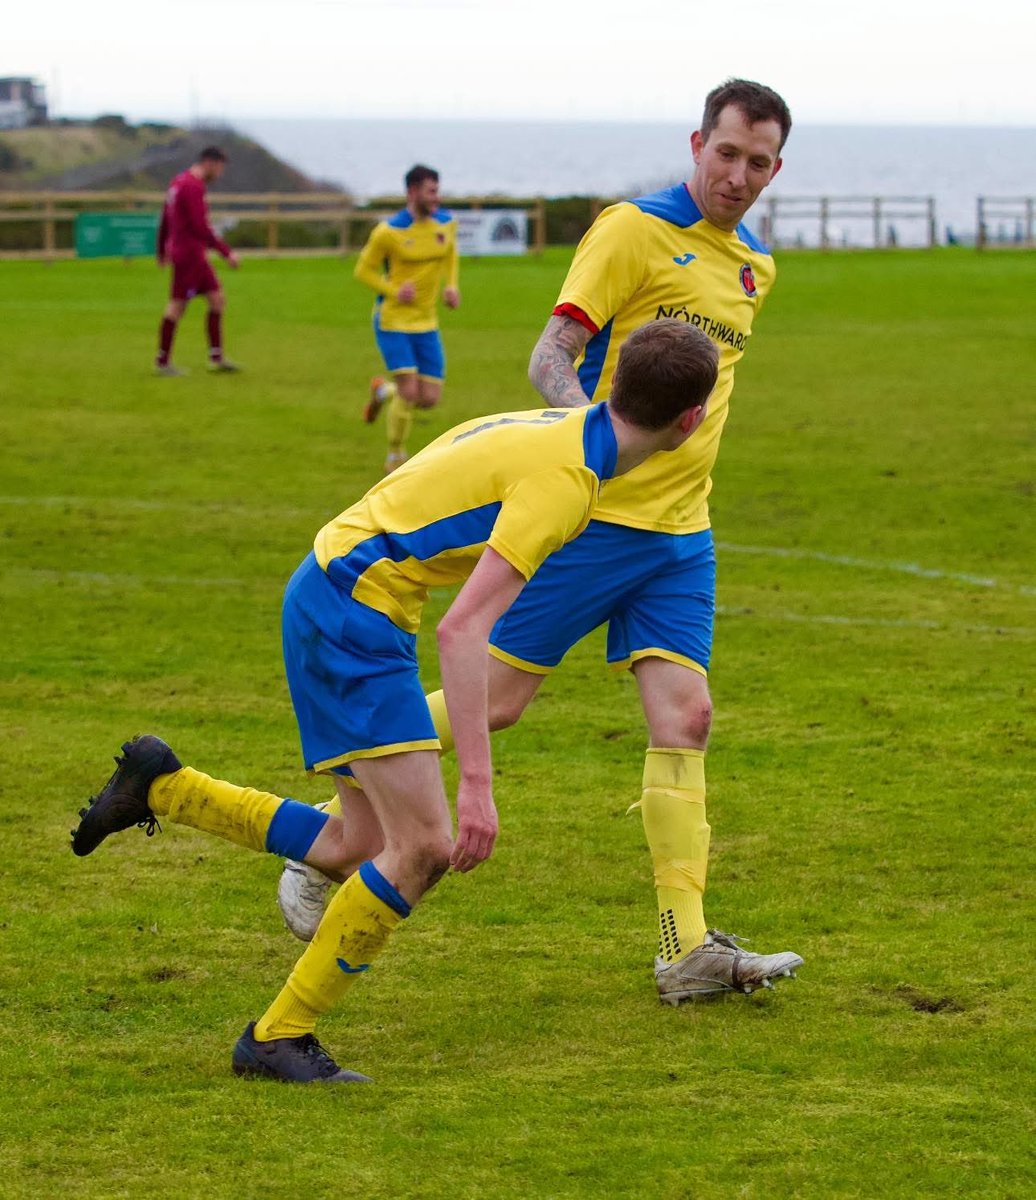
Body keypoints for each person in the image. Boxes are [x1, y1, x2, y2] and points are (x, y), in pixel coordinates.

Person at [70, 319, 717, 1084]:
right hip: (353, 608)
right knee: (425, 849)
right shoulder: (570, 482)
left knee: (355, 846)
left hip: (339, 587)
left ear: (614, 385)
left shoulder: (557, 428)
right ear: (692, 421)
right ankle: (277, 1036)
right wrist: (477, 786)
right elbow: (465, 629)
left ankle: (163, 786)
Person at [280, 78, 804, 1006]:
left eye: (759, 162)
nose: (739, 176)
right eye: (727, 154)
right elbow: (550, 359)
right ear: (697, 144)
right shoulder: (630, 231)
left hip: (684, 535)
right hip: (595, 522)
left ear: (775, 168)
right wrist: (591, 455)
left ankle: (684, 951)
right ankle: (338, 829)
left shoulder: (758, 265)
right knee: (504, 699)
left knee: (687, 718)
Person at [354, 164, 460, 473]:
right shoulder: (389, 232)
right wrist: (393, 290)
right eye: (430, 191)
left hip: (427, 322)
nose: (436, 197)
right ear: (412, 192)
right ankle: (395, 456)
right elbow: (363, 271)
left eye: (437, 190)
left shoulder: (446, 224)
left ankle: (382, 392)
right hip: (392, 321)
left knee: (429, 398)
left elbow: (451, 254)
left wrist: (451, 286)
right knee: (409, 392)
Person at [155, 145, 241, 377]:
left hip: (190, 254)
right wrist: (226, 252)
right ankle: (162, 362)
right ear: (210, 163)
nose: (220, 174)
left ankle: (217, 358)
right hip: (189, 255)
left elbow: (165, 216)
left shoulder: (178, 182)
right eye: (220, 168)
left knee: (217, 299)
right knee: (177, 305)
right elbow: (199, 226)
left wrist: (161, 247)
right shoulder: (192, 187)